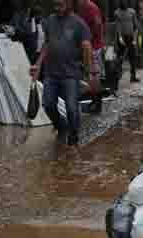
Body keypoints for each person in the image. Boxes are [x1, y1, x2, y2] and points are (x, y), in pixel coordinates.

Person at [31, 0, 96, 146]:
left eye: (60, 5)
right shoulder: (49, 22)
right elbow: (46, 44)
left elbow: (87, 47)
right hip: (51, 73)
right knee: (48, 104)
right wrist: (37, 65)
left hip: (71, 74)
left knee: (72, 108)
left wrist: (89, 71)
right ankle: (61, 126)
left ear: (69, 4)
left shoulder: (79, 24)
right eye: (55, 5)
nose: (57, 8)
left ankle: (73, 137)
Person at [78, 0, 105, 113]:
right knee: (91, 75)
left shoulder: (90, 7)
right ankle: (94, 101)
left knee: (94, 75)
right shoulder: (82, 7)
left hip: (93, 46)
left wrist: (88, 37)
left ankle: (97, 103)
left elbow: (98, 23)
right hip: (90, 45)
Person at [115, 0, 140, 83]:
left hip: (130, 36)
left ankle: (133, 76)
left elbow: (135, 24)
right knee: (120, 56)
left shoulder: (132, 12)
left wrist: (135, 37)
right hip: (122, 37)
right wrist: (119, 37)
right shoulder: (117, 12)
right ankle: (117, 75)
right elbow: (118, 25)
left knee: (132, 57)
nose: (124, 3)